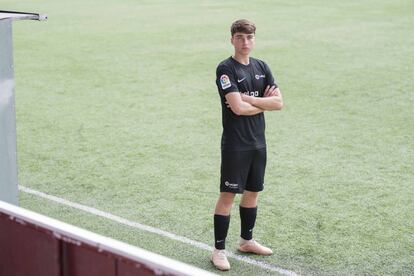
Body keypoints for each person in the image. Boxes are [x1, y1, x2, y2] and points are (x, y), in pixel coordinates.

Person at [211, 19, 284, 271]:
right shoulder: (225, 69)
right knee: (228, 195)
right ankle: (218, 250)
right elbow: (239, 110)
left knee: (253, 192)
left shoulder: (262, 66)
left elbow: (279, 103)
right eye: (240, 37)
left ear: (254, 40)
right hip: (235, 144)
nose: (245, 42)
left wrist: (244, 99)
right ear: (232, 39)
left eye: (249, 37)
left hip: (258, 143)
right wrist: (262, 103)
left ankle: (246, 240)